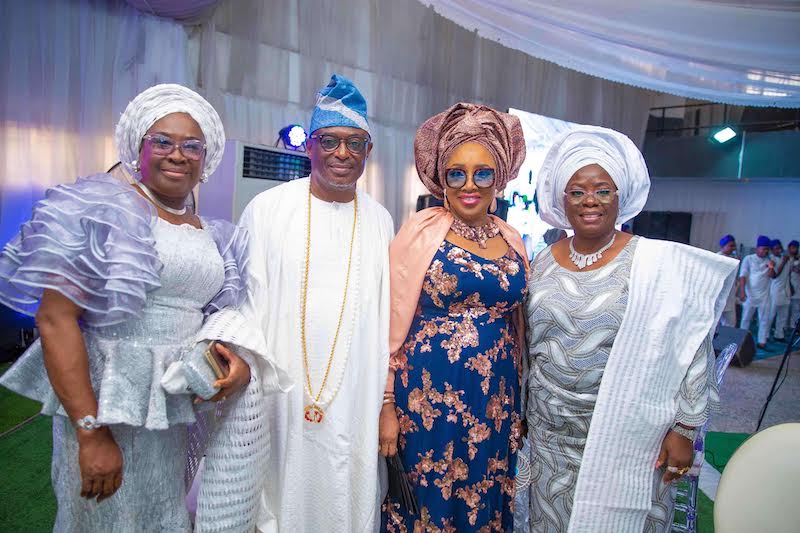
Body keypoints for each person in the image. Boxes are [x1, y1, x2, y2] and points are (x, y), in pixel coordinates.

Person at [0, 84, 286, 531]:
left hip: (169, 408)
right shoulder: (103, 208)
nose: (178, 154)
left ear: (205, 159)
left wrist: (234, 364)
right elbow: (55, 319)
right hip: (108, 405)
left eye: (192, 145)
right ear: (138, 149)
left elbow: (214, 317)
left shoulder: (210, 231)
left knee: (162, 517)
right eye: (163, 141)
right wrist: (91, 432)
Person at [524, 125, 737, 532]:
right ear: (561, 200)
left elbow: (691, 345)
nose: (590, 201)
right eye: (577, 191)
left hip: (629, 436)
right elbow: (530, 344)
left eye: (603, 190)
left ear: (620, 198)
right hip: (552, 440)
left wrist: (686, 428)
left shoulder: (654, 263)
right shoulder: (543, 261)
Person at [238, 74, 394, 532]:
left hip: (357, 392)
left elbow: (387, 317)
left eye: (354, 143)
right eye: (329, 141)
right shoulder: (267, 210)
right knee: (279, 489)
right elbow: (246, 304)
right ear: (310, 145)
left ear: (369, 152)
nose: (341, 154)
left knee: (348, 484)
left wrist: (384, 399)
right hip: (281, 390)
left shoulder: (381, 220)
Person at [380, 103, 528, 532]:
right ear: (440, 177)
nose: (469, 185)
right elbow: (391, 325)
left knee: (484, 503)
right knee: (427, 507)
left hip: (495, 405)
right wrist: (386, 404)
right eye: (455, 173)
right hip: (426, 404)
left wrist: (520, 401)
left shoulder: (511, 237)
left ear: (498, 177)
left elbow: (520, 327)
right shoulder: (422, 231)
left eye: (482, 173)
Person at [739, 235, 773, 348]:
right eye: (764, 249)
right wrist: (742, 291)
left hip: (764, 296)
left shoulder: (769, 261)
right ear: (758, 248)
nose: (765, 251)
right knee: (745, 319)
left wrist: (771, 267)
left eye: (767, 249)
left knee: (764, 320)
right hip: (750, 295)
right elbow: (743, 276)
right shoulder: (748, 259)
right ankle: (741, 340)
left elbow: (772, 276)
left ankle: (761, 342)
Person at [767, 239, 791, 341]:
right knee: (771, 315)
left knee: (783, 315)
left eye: (780, 248)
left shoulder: (786, 258)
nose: (779, 250)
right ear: (772, 250)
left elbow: (788, 274)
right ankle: (765, 335)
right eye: (776, 248)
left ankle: (779, 335)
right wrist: (784, 262)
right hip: (775, 291)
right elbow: (774, 276)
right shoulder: (771, 260)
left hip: (786, 290)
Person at [718, 234, 739, 327]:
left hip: (730, 297)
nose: (733, 248)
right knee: (714, 325)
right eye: (731, 246)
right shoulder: (716, 258)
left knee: (730, 324)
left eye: (734, 246)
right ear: (723, 246)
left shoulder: (734, 259)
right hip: (718, 296)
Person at [788, 240, 800, 329]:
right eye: (793, 247)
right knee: (783, 311)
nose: (795, 249)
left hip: (797, 288)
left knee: (795, 310)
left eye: (796, 248)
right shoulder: (785, 258)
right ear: (789, 248)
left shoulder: (798, 259)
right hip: (785, 288)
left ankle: (793, 328)